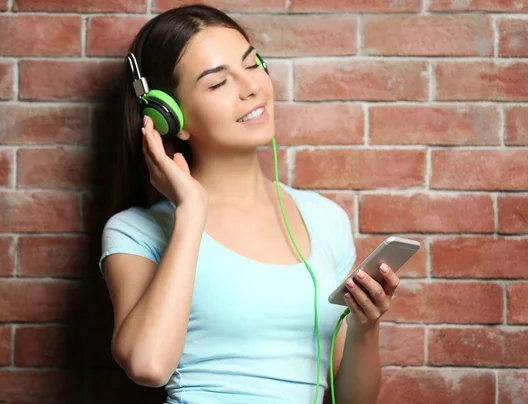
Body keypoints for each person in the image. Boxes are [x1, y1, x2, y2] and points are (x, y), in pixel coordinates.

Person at [98, 4, 400, 403]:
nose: (252, 87)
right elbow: (148, 366)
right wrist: (190, 210)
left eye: (252, 64)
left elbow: (352, 401)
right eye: (218, 83)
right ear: (172, 118)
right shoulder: (134, 230)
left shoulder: (326, 220)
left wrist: (366, 327)